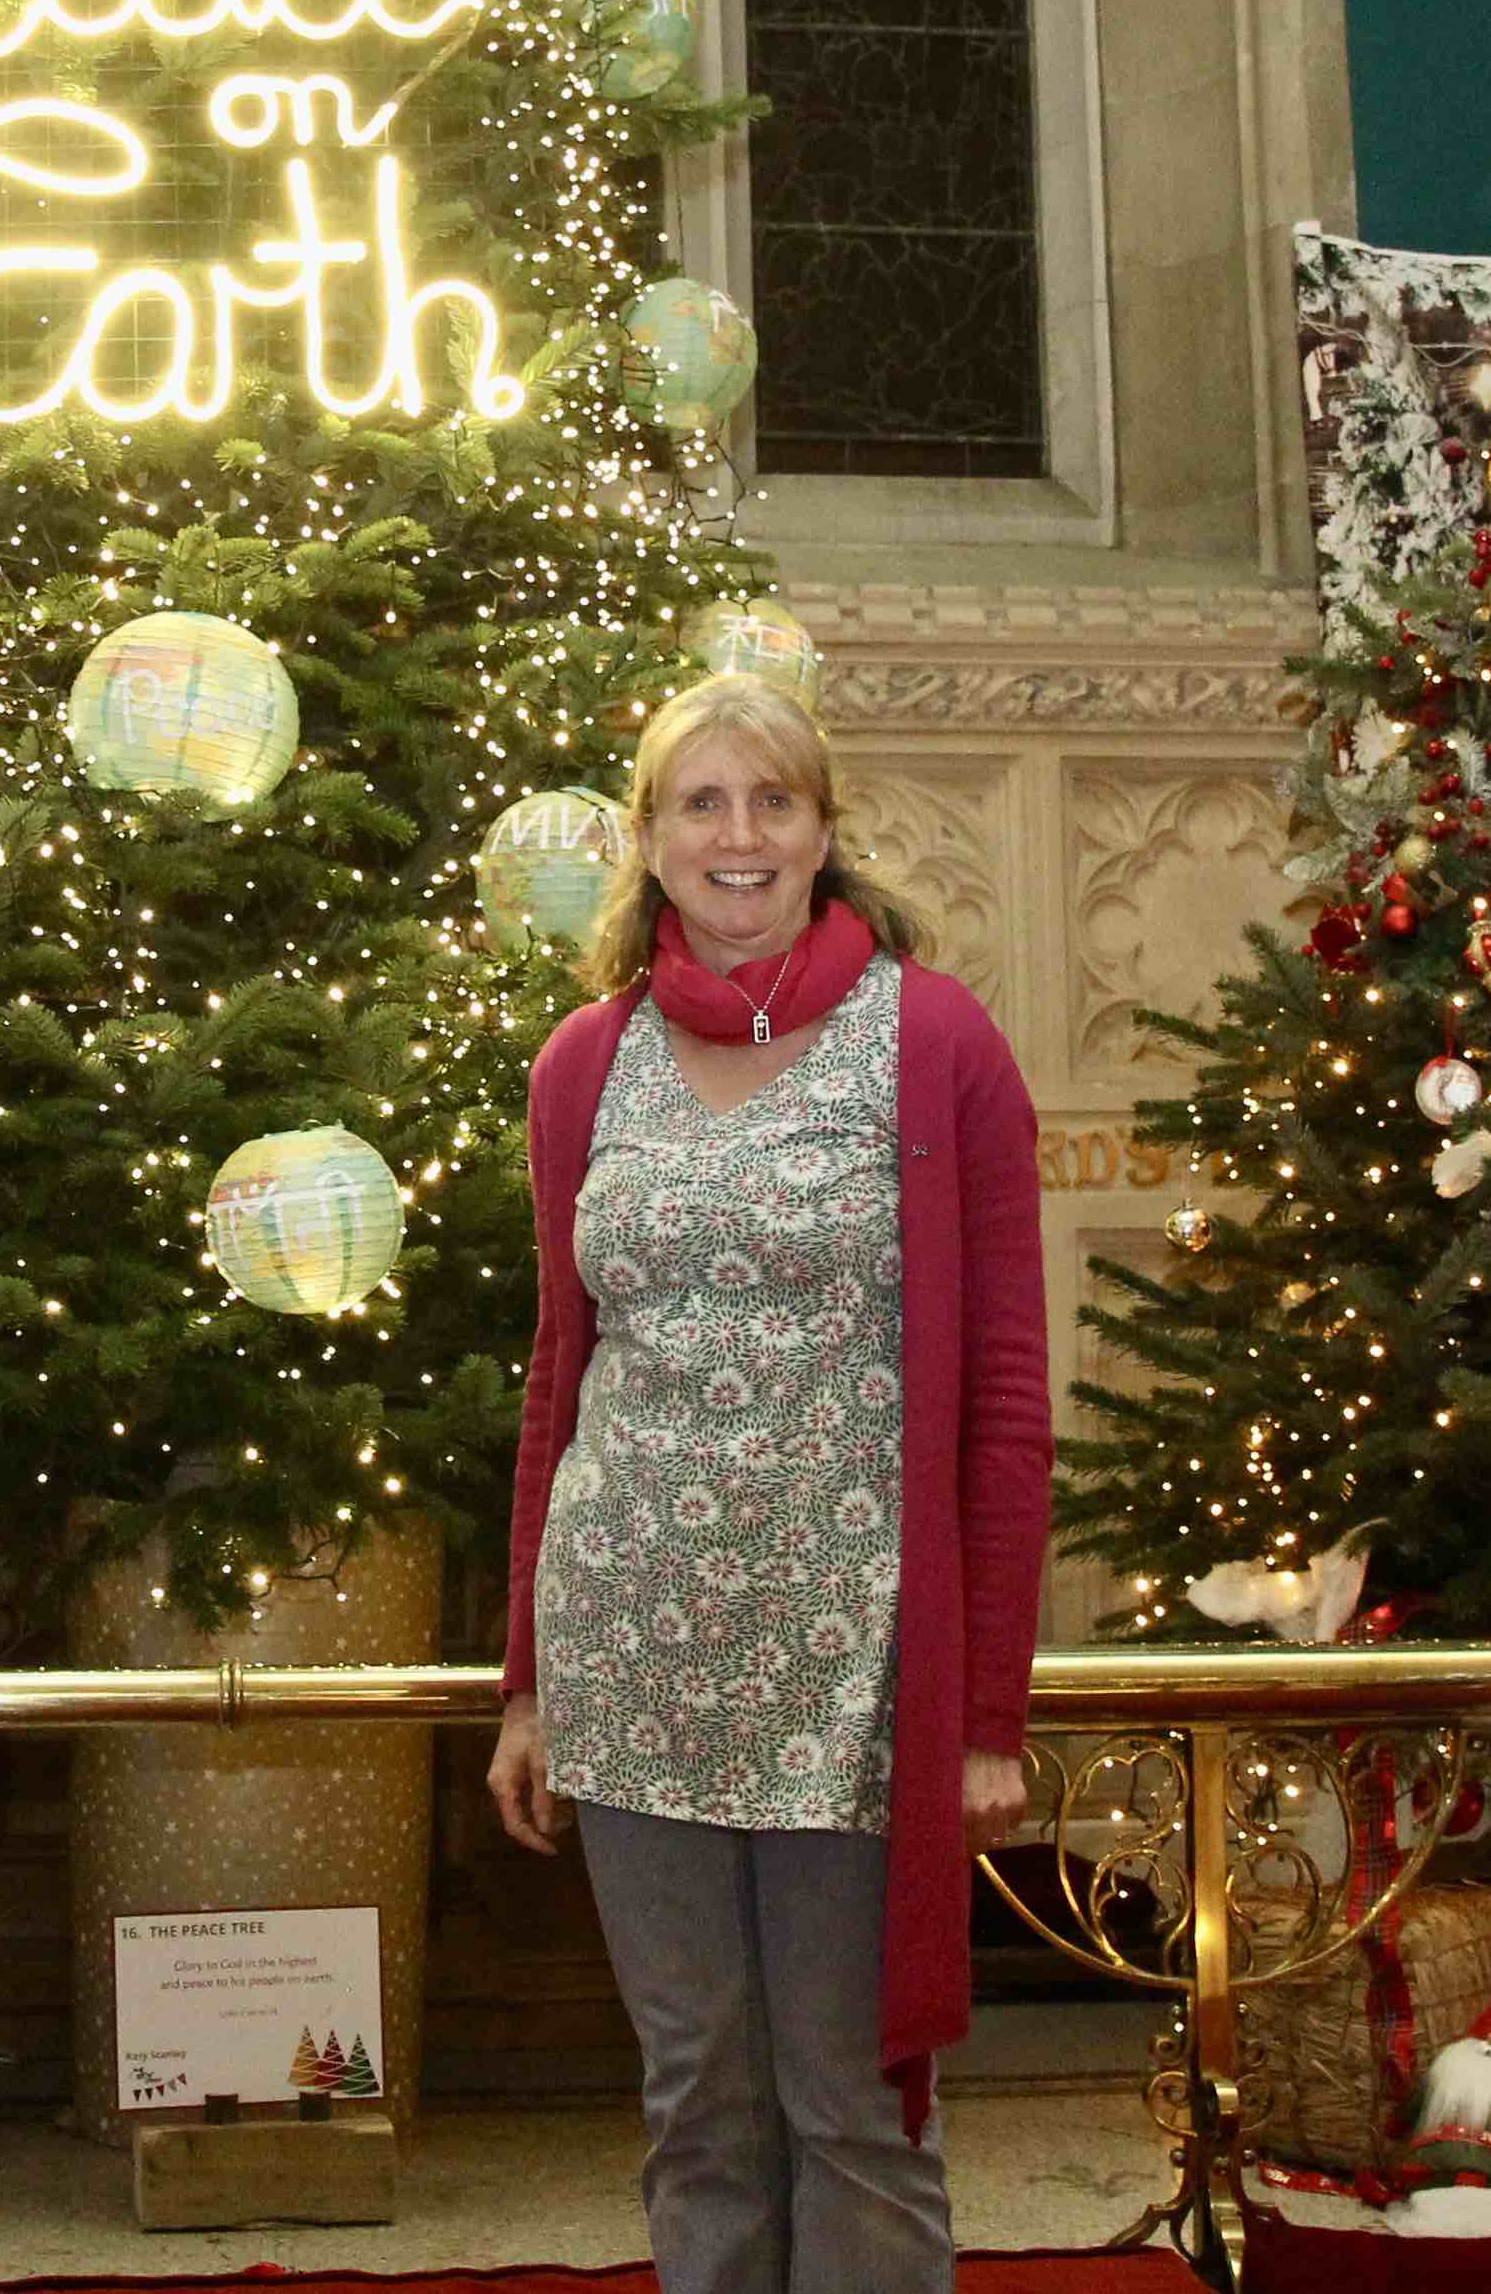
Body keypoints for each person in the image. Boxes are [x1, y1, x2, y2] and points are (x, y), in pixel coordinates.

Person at [489, 669, 1050, 2294]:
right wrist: (529, 1680)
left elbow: (1006, 1398)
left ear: (822, 831)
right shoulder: (583, 1064)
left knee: (852, 2106)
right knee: (699, 2108)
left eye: (772, 801)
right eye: (700, 804)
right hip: (635, 1653)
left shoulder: (932, 1039)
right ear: (649, 841)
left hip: (854, 1671)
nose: (738, 836)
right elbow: (558, 1381)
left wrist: (986, 1708)